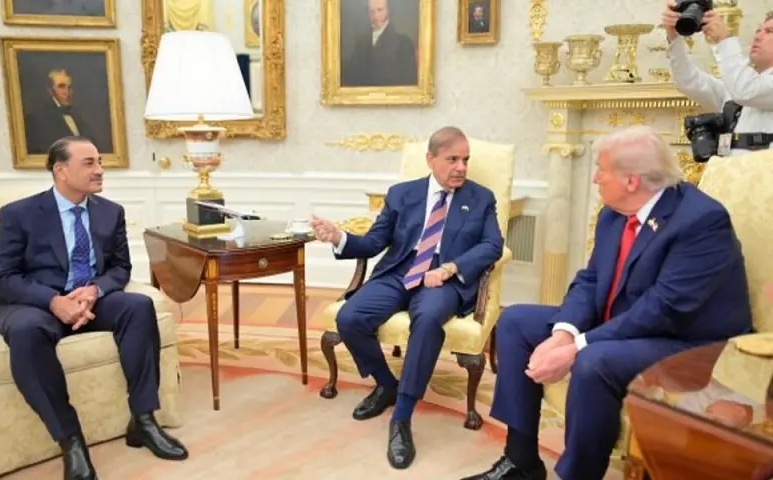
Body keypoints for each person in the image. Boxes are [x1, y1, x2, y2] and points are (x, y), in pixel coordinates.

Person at [460, 125, 753, 480]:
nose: (595, 178)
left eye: (601, 169)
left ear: (631, 180)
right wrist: (564, 333)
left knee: (593, 360)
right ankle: (521, 462)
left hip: (689, 343)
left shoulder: (700, 220)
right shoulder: (614, 213)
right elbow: (592, 280)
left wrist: (578, 346)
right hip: (630, 324)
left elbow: (664, 308)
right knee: (516, 322)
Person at [0, 136, 188, 480]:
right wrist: (54, 301)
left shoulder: (111, 212)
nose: (99, 170)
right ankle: (71, 442)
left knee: (138, 307)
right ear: (61, 171)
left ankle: (143, 420)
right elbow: (1, 276)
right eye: (89, 163)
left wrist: (96, 290)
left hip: (89, 298)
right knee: (26, 331)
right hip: (35, 302)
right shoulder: (19, 214)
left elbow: (121, 268)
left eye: (100, 162)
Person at [310, 126, 503, 469]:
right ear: (431, 159)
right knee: (350, 317)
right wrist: (338, 237)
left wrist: (450, 269)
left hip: (442, 279)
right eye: (452, 159)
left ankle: (401, 416)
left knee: (427, 320)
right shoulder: (402, 194)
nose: (461, 167)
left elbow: (492, 245)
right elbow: (374, 242)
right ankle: (386, 384)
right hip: (400, 272)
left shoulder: (481, 198)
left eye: (465, 160)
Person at [663, 3, 773, 156]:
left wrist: (724, 40)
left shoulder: (745, 85)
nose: (758, 36)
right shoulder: (741, 83)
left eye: (769, 31)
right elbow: (689, 81)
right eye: (758, 31)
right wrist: (674, 37)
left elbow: (746, 91)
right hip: (729, 169)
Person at [341, 0, 418, 87]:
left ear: (388, 11)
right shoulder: (361, 42)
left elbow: (408, 82)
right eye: (372, 11)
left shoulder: (403, 43)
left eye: (380, 10)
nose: (375, 16)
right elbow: (351, 76)